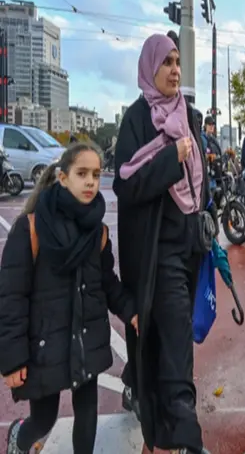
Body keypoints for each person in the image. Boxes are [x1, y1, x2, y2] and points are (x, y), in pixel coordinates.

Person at [0, 143, 138, 454]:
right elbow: (11, 297)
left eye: (96, 174)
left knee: (87, 413)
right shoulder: (32, 228)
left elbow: (107, 283)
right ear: (62, 178)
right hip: (45, 346)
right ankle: (20, 439)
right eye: (82, 173)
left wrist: (131, 311)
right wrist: (12, 359)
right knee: (43, 419)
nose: (91, 181)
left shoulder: (98, 232)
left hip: (85, 341)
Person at [114, 34, 210, 454]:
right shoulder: (137, 121)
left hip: (191, 250)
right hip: (158, 254)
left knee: (163, 335)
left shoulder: (188, 115)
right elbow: (126, 184)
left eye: (178, 62)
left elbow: (201, 181)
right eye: (167, 62)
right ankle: (186, 436)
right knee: (175, 339)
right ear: (149, 69)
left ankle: (136, 385)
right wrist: (171, 160)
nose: (174, 70)